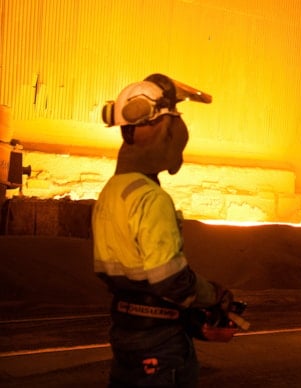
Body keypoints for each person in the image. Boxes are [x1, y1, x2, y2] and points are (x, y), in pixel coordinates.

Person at [92, 73, 233, 387]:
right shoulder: (151, 198)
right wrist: (214, 295)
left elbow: (127, 276)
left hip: (126, 335)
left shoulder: (111, 192)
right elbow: (170, 280)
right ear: (163, 131)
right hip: (160, 345)